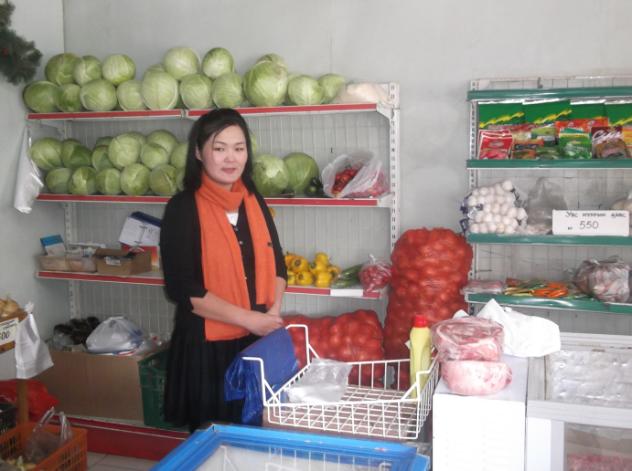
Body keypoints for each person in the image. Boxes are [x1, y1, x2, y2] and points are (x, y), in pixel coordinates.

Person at [159, 108, 287, 432]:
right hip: (207, 349)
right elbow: (182, 289)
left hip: (256, 342)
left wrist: (272, 312)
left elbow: (278, 263)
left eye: (239, 148)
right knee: (213, 437)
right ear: (199, 153)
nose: (231, 158)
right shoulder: (182, 207)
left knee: (257, 433)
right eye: (219, 148)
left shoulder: (253, 200)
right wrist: (249, 320)